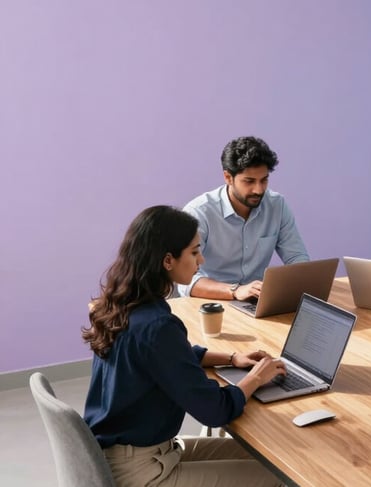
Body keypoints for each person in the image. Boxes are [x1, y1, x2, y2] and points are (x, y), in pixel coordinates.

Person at [82, 206, 286, 487]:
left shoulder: (122, 306)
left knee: (268, 460)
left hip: (127, 454)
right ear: (168, 260)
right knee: (274, 478)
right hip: (143, 472)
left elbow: (168, 357)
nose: (200, 259)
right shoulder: (157, 326)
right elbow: (216, 411)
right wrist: (256, 378)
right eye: (194, 252)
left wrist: (231, 357)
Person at [178, 136, 309, 300]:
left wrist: (303, 281)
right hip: (209, 303)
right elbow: (184, 281)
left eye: (264, 180)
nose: (259, 190)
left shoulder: (276, 205)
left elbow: (297, 258)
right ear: (228, 177)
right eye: (249, 181)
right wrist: (235, 290)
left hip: (256, 302)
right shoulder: (199, 212)